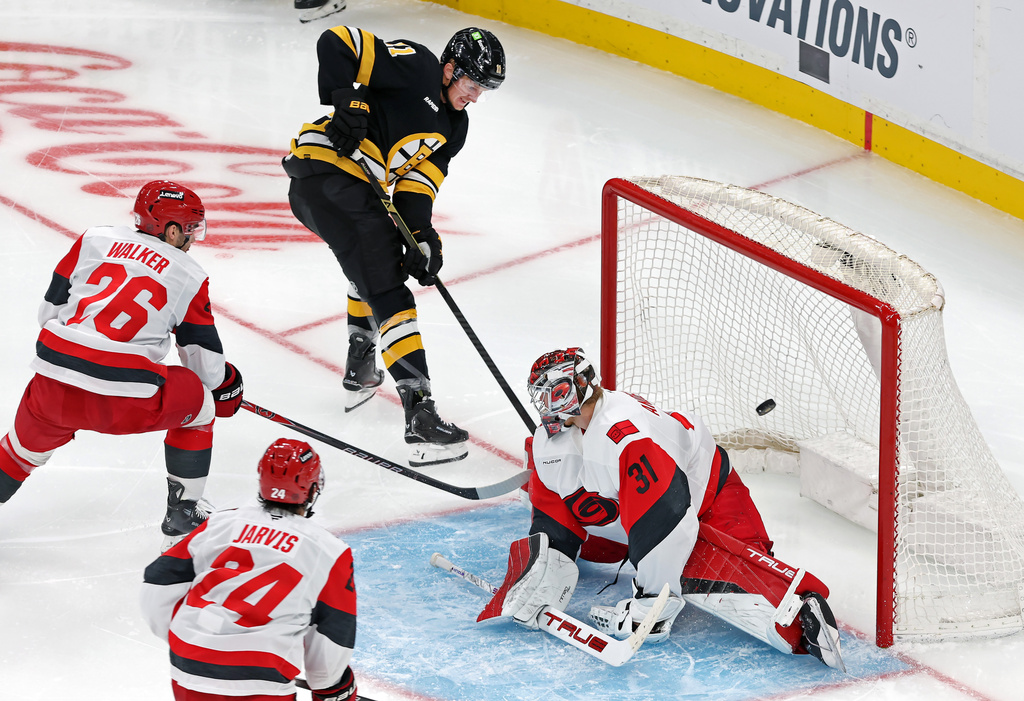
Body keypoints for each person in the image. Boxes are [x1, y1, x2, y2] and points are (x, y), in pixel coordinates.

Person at [478, 348, 846, 671]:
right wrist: (544, 568)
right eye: (542, 399)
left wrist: (652, 606)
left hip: (709, 499)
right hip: (626, 519)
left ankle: (801, 615)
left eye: (557, 395)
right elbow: (555, 500)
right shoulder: (554, 438)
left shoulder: (627, 437)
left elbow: (667, 518)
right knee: (551, 468)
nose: (549, 408)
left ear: (584, 385)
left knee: (712, 568)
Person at [282, 25, 506, 467]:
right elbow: (337, 42)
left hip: (341, 193)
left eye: (484, 89)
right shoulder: (416, 65)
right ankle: (419, 413)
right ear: (449, 68)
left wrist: (422, 235)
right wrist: (346, 96)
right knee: (388, 289)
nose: (475, 96)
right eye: (472, 83)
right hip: (328, 172)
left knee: (371, 264)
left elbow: (415, 189)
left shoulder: (453, 128)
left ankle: (361, 362)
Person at [0, 181, 244, 551]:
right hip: (125, 400)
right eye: (191, 229)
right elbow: (206, 371)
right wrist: (228, 385)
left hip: (53, 385)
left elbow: (48, 314)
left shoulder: (93, 240)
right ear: (172, 229)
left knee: (18, 454)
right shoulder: (189, 274)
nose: (193, 239)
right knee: (201, 405)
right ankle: (183, 513)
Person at [141, 438, 359, 701]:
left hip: (190, 665)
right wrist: (333, 686)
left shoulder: (222, 524)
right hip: (261, 676)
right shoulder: (329, 550)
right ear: (312, 489)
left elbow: (158, 580)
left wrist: (194, 639)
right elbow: (334, 629)